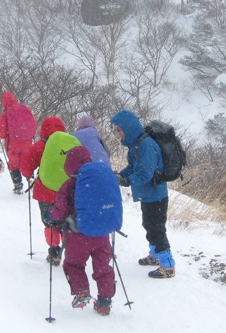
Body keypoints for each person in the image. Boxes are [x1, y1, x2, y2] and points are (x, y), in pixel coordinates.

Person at [110, 109, 176, 278]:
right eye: (115, 130)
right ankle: (155, 255)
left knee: (156, 228)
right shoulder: (135, 145)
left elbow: (145, 173)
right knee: (148, 224)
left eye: (119, 129)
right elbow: (133, 167)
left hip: (156, 194)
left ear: (128, 127)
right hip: (148, 194)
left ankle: (168, 265)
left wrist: (126, 181)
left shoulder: (146, 145)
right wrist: (119, 175)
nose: (117, 133)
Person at [51, 145, 116, 315]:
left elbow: (60, 211)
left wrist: (52, 215)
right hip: (102, 234)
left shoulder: (69, 185)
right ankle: (105, 301)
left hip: (78, 235)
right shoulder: (100, 181)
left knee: (74, 264)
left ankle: (81, 291)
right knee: (103, 268)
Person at [21, 116, 67, 265]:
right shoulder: (68, 145)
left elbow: (26, 165)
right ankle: (69, 249)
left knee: (50, 222)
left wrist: (28, 175)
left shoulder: (40, 146)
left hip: (45, 192)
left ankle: (54, 252)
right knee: (65, 222)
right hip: (65, 192)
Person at [0, 91, 37, 194]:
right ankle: (30, 178)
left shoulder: (5, 114)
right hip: (27, 142)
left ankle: (18, 186)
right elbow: (33, 125)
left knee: (13, 165)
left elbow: (2, 133)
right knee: (26, 162)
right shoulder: (24, 109)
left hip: (13, 144)